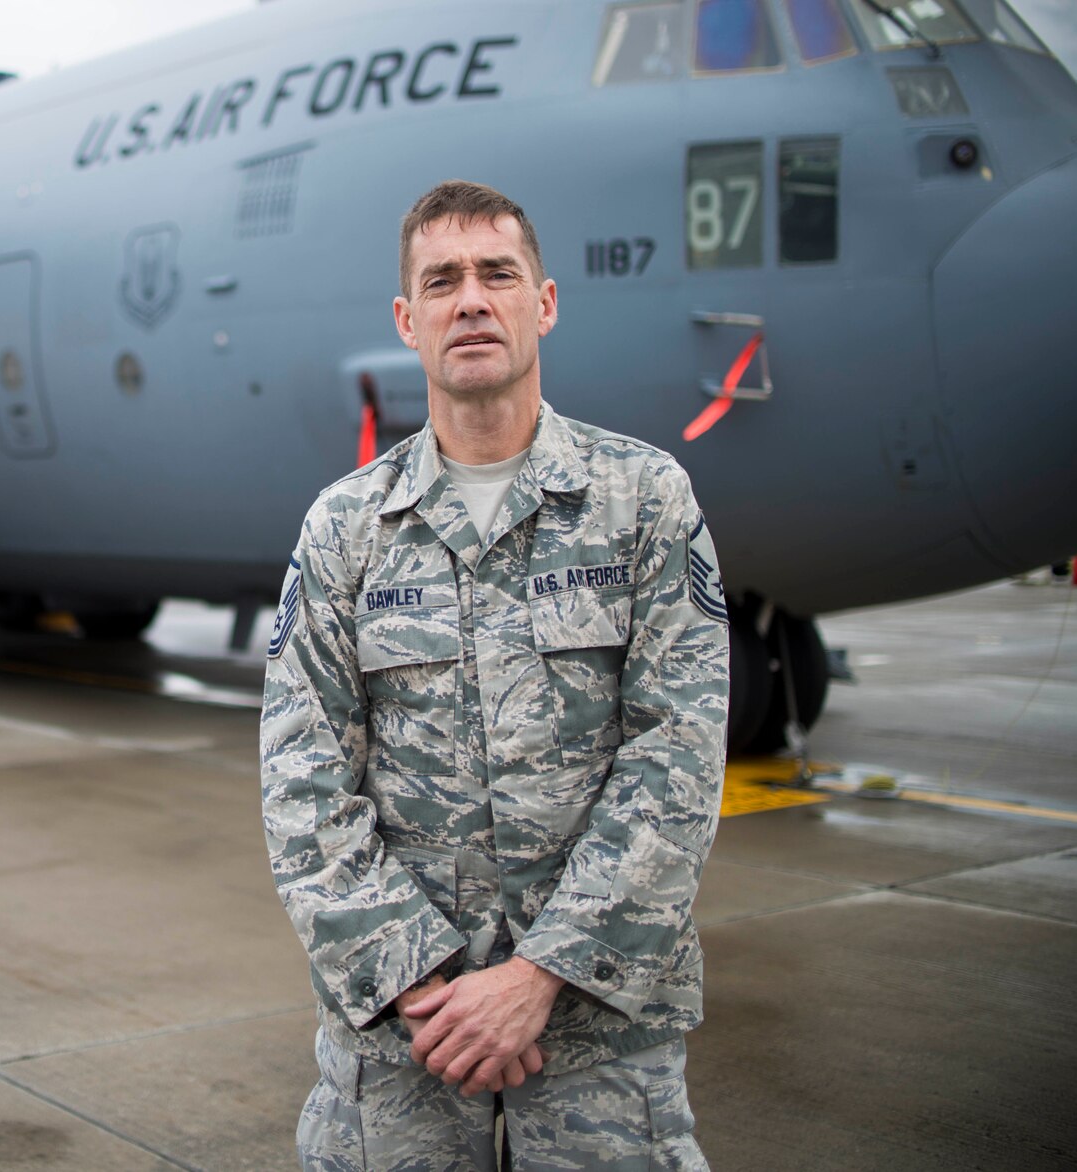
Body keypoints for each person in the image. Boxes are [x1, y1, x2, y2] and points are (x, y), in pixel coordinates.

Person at [261, 180, 730, 1170]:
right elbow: (300, 782)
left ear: (542, 301)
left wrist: (540, 974)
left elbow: (676, 757)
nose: (470, 298)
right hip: (404, 1033)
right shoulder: (345, 528)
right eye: (441, 280)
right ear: (407, 319)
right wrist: (422, 982)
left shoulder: (641, 501)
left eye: (495, 274)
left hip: (598, 1025)